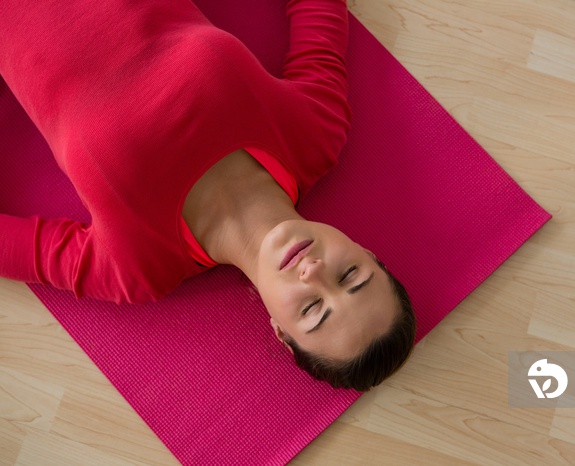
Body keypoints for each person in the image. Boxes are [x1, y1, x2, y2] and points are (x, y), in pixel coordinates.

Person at [0, 0, 415, 391]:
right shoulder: (315, 135)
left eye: (311, 310)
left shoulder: (138, 267)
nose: (313, 271)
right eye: (349, 276)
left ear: (281, 333)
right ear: (368, 253)